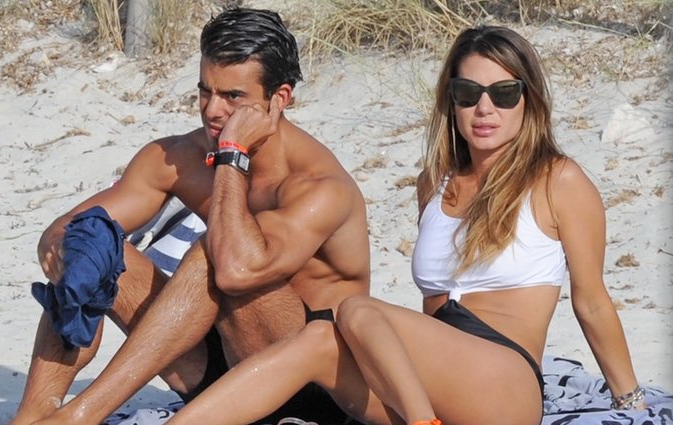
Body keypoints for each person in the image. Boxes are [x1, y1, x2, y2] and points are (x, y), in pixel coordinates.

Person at [161, 25, 645, 425]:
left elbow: (592, 301)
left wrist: (630, 402)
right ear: (450, 100)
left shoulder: (557, 180)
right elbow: (426, 318)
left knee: (355, 310)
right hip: (429, 382)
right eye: (467, 92)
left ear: (528, 99)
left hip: (503, 386)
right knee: (316, 340)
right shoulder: (434, 182)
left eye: (503, 93)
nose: (484, 109)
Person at [10, 7, 370, 425]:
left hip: (314, 386)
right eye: (205, 90)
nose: (213, 110)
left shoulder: (318, 187)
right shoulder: (180, 156)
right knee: (94, 242)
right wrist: (74, 264)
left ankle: (80, 416)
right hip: (216, 365)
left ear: (280, 99)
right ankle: (31, 417)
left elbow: (237, 271)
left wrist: (232, 155)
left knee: (218, 253)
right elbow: (57, 234)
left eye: (233, 97)